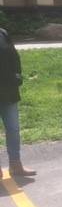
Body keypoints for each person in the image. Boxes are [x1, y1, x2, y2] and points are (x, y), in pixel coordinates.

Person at [0, 28, 36, 178]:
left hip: (9, 92)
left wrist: (17, 75)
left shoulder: (3, 33)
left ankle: (16, 165)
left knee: (13, 129)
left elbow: (15, 57)